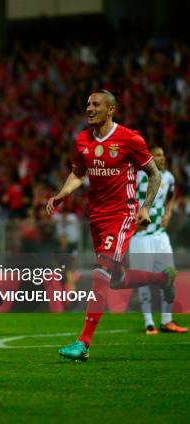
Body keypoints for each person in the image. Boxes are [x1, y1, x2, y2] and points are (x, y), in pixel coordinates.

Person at [46, 90, 177, 361]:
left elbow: (154, 174)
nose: (89, 108)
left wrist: (145, 208)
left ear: (111, 110)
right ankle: (163, 279)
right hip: (96, 216)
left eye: (95, 104)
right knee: (115, 279)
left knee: (101, 272)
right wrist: (62, 193)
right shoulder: (82, 140)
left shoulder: (129, 138)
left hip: (122, 215)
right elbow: (78, 174)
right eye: (87, 104)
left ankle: (83, 343)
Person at [129, 146, 187, 335]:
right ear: (149, 157)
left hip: (160, 235)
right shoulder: (137, 176)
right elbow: (126, 200)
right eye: (158, 155)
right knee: (143, 280)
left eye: (163, 155)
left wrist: (169, 212)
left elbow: (170, 196)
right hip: (140, 237)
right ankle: (149, 323)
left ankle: (167, 321)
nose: (162, 158)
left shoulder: (168, 177)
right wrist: (132, 222)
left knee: (169, 276)